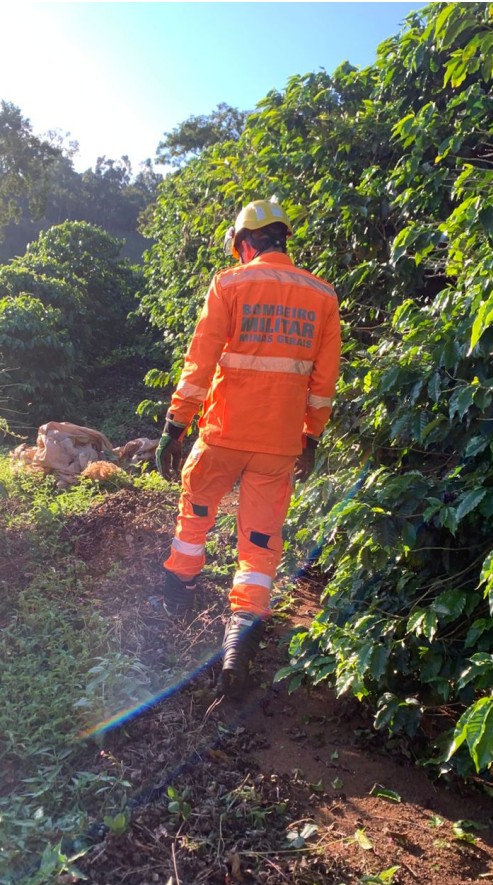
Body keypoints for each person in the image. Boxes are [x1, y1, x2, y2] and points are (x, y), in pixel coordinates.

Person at [153, 199, 341, 690]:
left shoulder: (230, 284)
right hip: (279, 444)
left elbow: (199, 362)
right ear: (282, 239)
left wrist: (176, 425)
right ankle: (240, 633)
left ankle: (178, 592)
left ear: (245, 243)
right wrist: (311, 437)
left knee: (196, 509)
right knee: (260, 539)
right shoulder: (322, 295)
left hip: (223, 434)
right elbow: (323, 383)